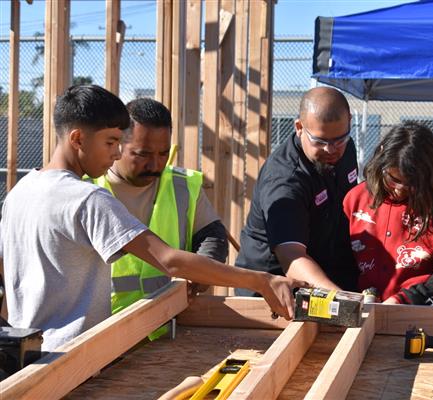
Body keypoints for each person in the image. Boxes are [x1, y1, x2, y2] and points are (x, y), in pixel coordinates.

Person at [0, 85, 305, 352]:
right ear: (78, 138)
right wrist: (263, 280)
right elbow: (169, 260)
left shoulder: (20, 192)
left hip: (27, 356)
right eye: (109, 143)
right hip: (76, 358)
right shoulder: (89, 199)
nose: (116, 154)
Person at [93, 98, 228, 339]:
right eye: (142, 154)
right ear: (118, 144)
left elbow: (211, 235)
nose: (155, 164)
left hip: (168, 329)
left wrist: (201, 272)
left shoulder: (183, 185)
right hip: (102, 335)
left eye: (163, 153)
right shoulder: (88, 189)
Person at [343, 122, 433, 306]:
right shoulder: (356, 199)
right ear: (381, 163)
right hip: (368, 313)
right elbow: (341, 264)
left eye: (413, 183)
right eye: (393, 179)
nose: (401, 190)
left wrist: (405, 301)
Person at [235, 87, 359, 294]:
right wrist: (343, 298)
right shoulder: (285, 180)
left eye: (339, 140)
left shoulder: (345, 148)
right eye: (320, 141)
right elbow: (292, 257)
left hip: (323, 272)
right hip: (272, 288)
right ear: (299, 127)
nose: (331, 150)